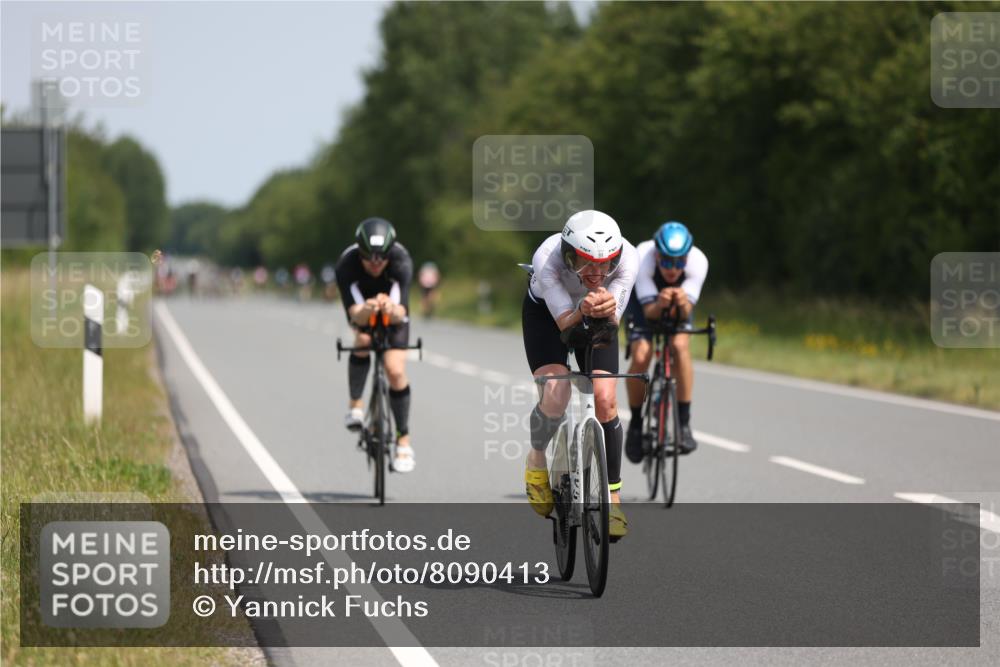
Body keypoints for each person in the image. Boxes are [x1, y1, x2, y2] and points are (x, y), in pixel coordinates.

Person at [521, 210, 638, 539]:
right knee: (556, 394)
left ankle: (613, 499)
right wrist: (583, 309)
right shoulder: (547, 258)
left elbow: (611, 323)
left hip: (598, 315)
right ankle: (536, 460)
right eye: (585, 263)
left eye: (606, 264)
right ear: (568, 254)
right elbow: (565, 327)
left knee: (605, 398)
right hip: (548, 315)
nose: (597, 272)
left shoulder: (629, 258)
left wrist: (604, 309)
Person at [334, 217, 416, 473]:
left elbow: (401, 310)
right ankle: (355, 405)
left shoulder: (401, 259)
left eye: (382, 258)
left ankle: (403, 440)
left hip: (394, 313)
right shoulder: (346, 265)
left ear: (390, 253)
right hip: (362, 309)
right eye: (369, 258)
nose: (375, 264)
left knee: (395, 370)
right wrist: (368, 309)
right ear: (360, 252)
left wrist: (390, 310)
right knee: (363, 340)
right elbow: (354, 313)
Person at [623, 221, 708, 462]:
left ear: (687, 258)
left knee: (680, 346)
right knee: (641, 355)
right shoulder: (642, 257)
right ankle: (637, 425)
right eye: (667, 261)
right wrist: (660, 303)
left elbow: (685, 311)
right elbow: (650, 311)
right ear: (656, 255)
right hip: (643, 305)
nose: (672, 269)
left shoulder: (698, 261)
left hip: (679, 305)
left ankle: (684, 424)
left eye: (679, 261)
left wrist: (680, 303)